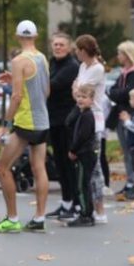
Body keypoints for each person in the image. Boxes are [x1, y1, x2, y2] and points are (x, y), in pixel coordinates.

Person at [0, 20, 50, 234]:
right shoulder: (42, 58)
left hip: (26, 122)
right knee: (39, 168)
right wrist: (16, 79)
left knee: (1, 167)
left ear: (17, 37)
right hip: (43, 121)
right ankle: (40, 217)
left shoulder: (18, 61)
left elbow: (16, 96)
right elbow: (46, 91)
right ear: (35, 36)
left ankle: (12, 218)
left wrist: (5, 126)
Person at [71, 35, 108, 224]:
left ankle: (100, 209)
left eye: (77, 50)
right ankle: (89, 206)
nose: (76, 53)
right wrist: (77, 89)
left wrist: (77, 89)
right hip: (83, 116)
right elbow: (77, 92)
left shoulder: (97, 69)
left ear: (84, 51)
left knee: (95, 168)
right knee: (86, 166)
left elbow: (79, 91)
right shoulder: (82, 67)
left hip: (94, 119)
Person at [45, 33, 81, 220]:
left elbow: (53, 85)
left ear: (69, 47)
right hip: (54, 120)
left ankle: (76, 203)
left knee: (69, 164)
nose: (58, 47)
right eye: (55, 44)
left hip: (67, 121)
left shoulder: (71, 66)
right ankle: (66, 201)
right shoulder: (52, 64)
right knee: (59, 163)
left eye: (61, 44)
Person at [107, 41, 134, 199]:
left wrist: (118, 93)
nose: (118, 56)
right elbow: (113, 91)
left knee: (132, 153)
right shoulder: (123, 73)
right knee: (126, 152)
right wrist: (119, 93)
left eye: (120, 53)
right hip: (121, 116)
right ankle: (130, 182)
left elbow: (125, 93)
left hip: (131, 117)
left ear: (127, 55)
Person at [65, 85, 98, 227]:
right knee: (83, 184)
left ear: (91, 100)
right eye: (78, 96)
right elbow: (68, 122)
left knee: (82, 185)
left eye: (84, 97)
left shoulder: (87, 116)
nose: (80, 100)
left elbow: (82, 136)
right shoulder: (81, 113)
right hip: (84, 153)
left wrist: (73, 150)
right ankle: (87, 213)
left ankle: (86, 214)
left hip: (85, 154)